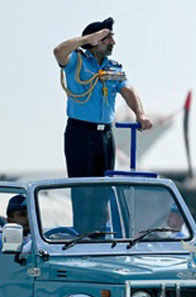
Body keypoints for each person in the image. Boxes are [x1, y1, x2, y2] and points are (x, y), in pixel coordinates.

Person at [52, 18, 152, 232]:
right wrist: (87, 39)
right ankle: (83, 235)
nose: (113, 42)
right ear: (96, 40)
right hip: (80, 132)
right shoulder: (77, 61)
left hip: (104, 135)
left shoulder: (113, 68)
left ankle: (99, 234)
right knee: (82, 189)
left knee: (103, 187)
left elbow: (128, 90)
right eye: (108, 38)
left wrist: (140, 113)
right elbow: (58, 51)